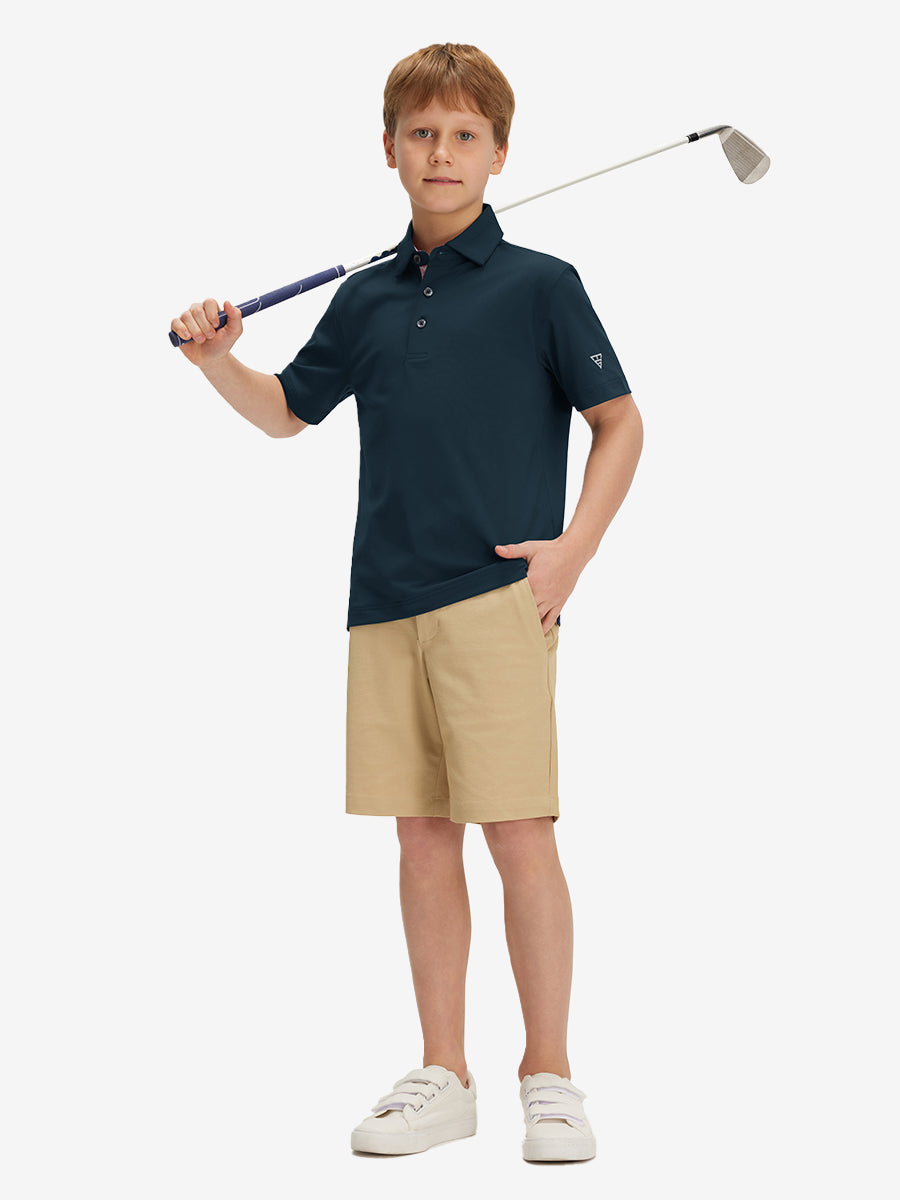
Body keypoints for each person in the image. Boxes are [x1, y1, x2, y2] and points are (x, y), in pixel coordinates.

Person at [170, 42, 643, 1163]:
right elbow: (287, 412)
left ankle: (550, 1076)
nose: (442, 153)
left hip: (498, 594)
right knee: (422, 837)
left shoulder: (542, 285)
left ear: (499, 154)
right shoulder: (367, 297)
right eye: (422, 134)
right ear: (389, 150)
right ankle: (445, 1073)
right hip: (383, 601)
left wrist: (572, 554)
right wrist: (217, 361)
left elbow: (620, 421)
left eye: (465, 135)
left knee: (517, 831)